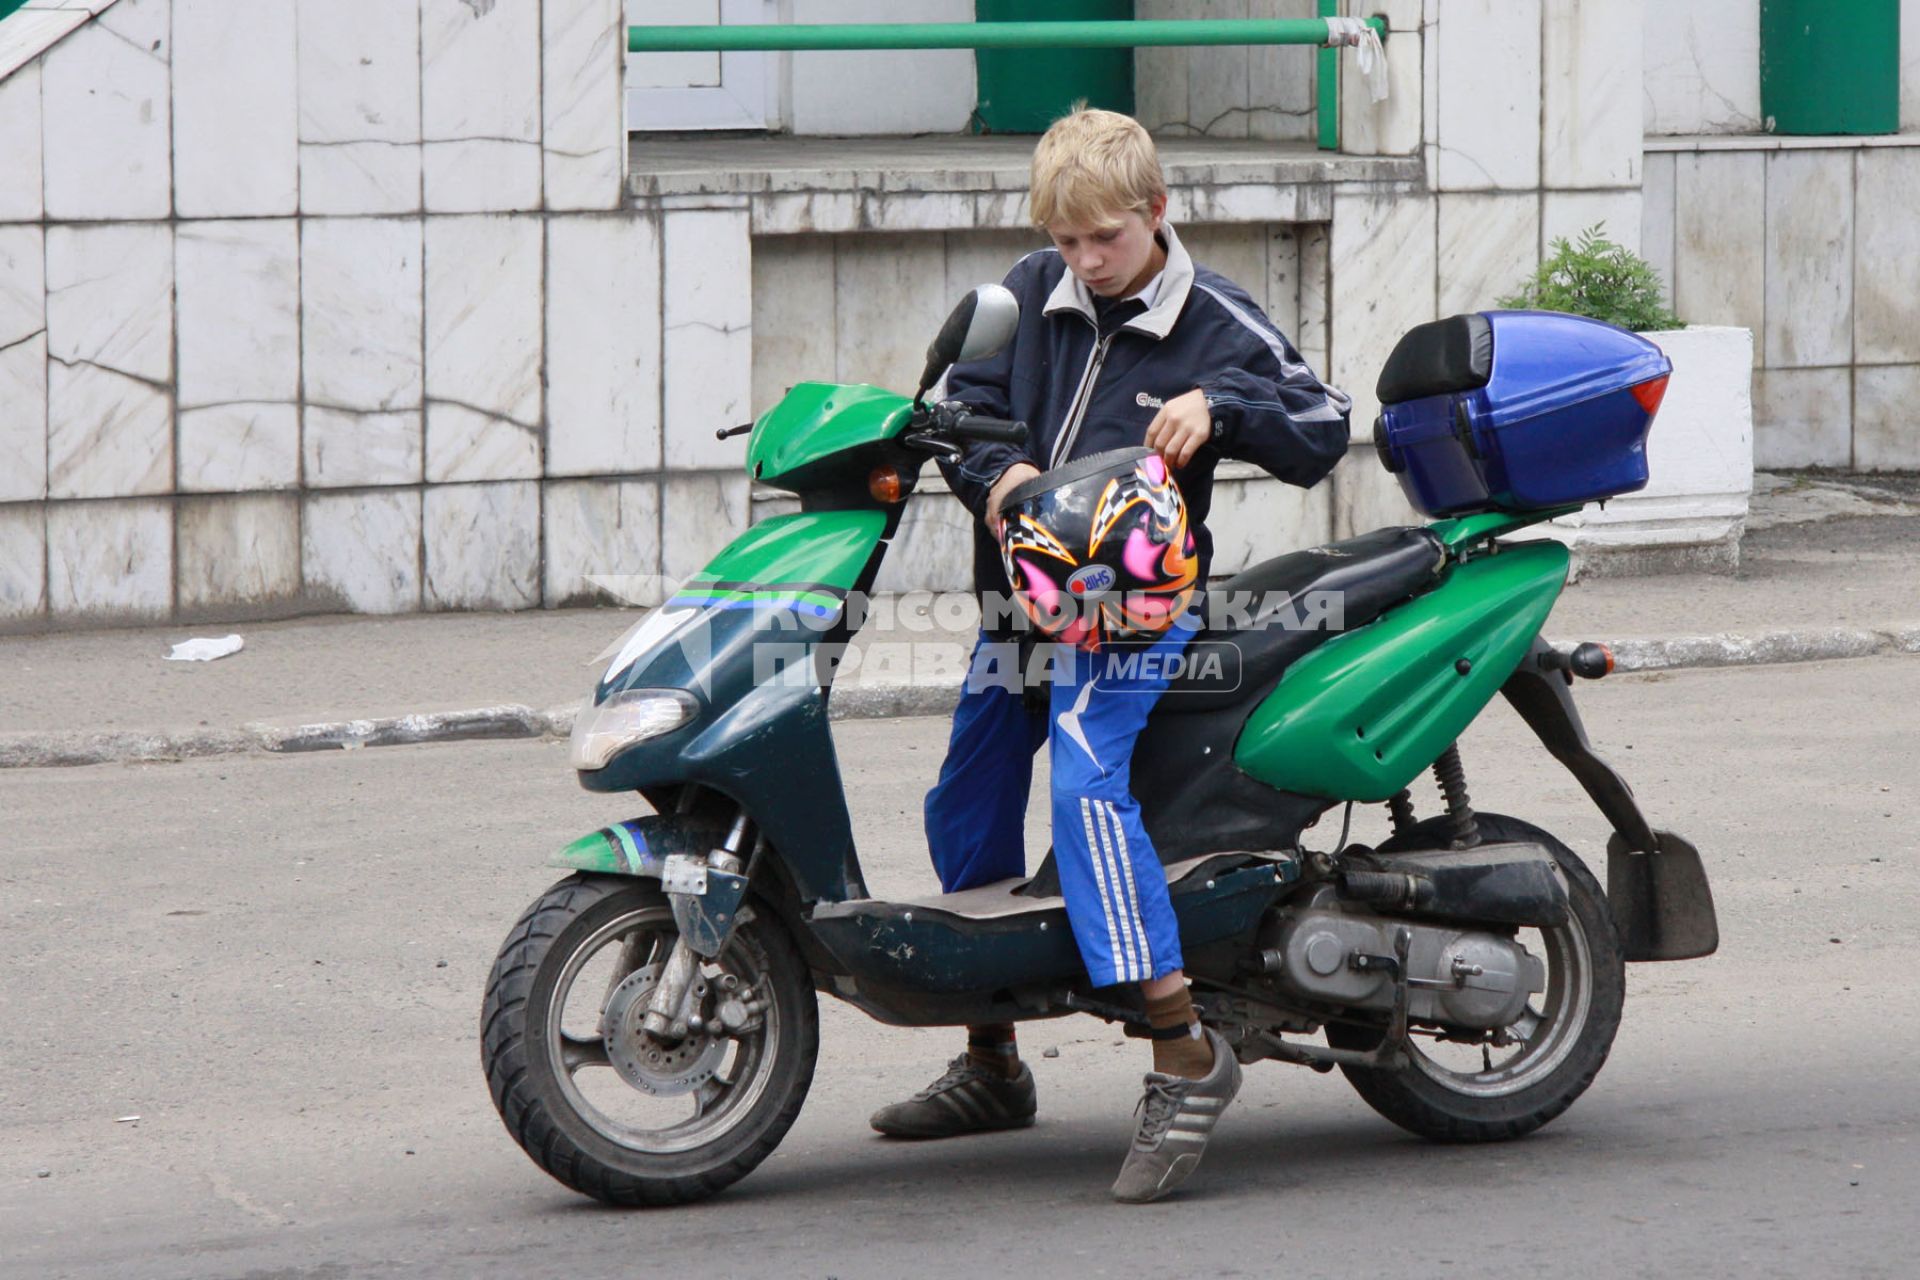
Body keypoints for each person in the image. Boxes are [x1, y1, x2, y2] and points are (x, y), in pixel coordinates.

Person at [867, 107, 1352, 1203]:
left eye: (1106, 242)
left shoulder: (1218, 317)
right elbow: (964, 411)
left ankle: (1180, 1041)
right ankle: (993, 1060)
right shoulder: (1034, 291)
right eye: (1069, 242)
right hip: (1020, 614)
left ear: (1156, 212)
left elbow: (1322, 423)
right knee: (968, 801)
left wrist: (1218, 404)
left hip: (1134, 622)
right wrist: (991, 480)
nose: (1085, 264)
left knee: (1086, 784)